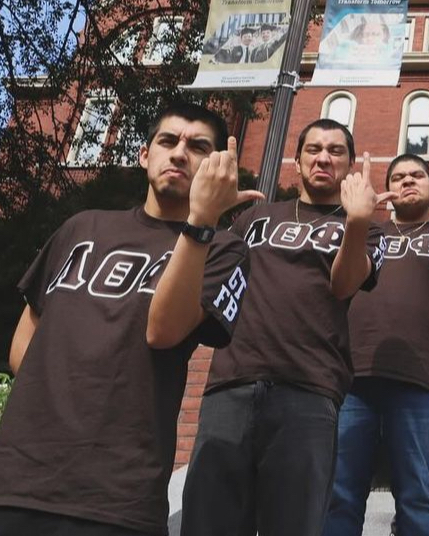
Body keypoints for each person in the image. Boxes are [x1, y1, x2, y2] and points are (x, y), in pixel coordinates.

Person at [0, 103, 255, 535]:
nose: (179, 153)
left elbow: (163, 331)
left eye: (198, 147)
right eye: (168, 141)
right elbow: (26, 337)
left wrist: (202, 222)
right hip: (18, 480)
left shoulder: (223, 250)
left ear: (215, 168)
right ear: (144, 154)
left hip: (119, 496)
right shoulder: (82, 227)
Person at [181, 119, 387, 536]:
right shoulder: (255, 217)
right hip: (232, 385)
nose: (323, 158)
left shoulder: (368, 229)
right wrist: (209, 214)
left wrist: (357, 222)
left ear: (349, 165)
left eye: (335, 151)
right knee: (207, 521)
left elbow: (344, 284)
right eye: (313, 149)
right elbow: (207, 278)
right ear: (297, 160)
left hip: (309, 392)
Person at [325, 156, 429, 536]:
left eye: (417, 176)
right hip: (354, 377)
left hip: (421, 381)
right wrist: (357, 218)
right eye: (398, 177)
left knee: (415, 497)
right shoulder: (370, 232)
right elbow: (338, 283)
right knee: (340, 494)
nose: (407, 181)